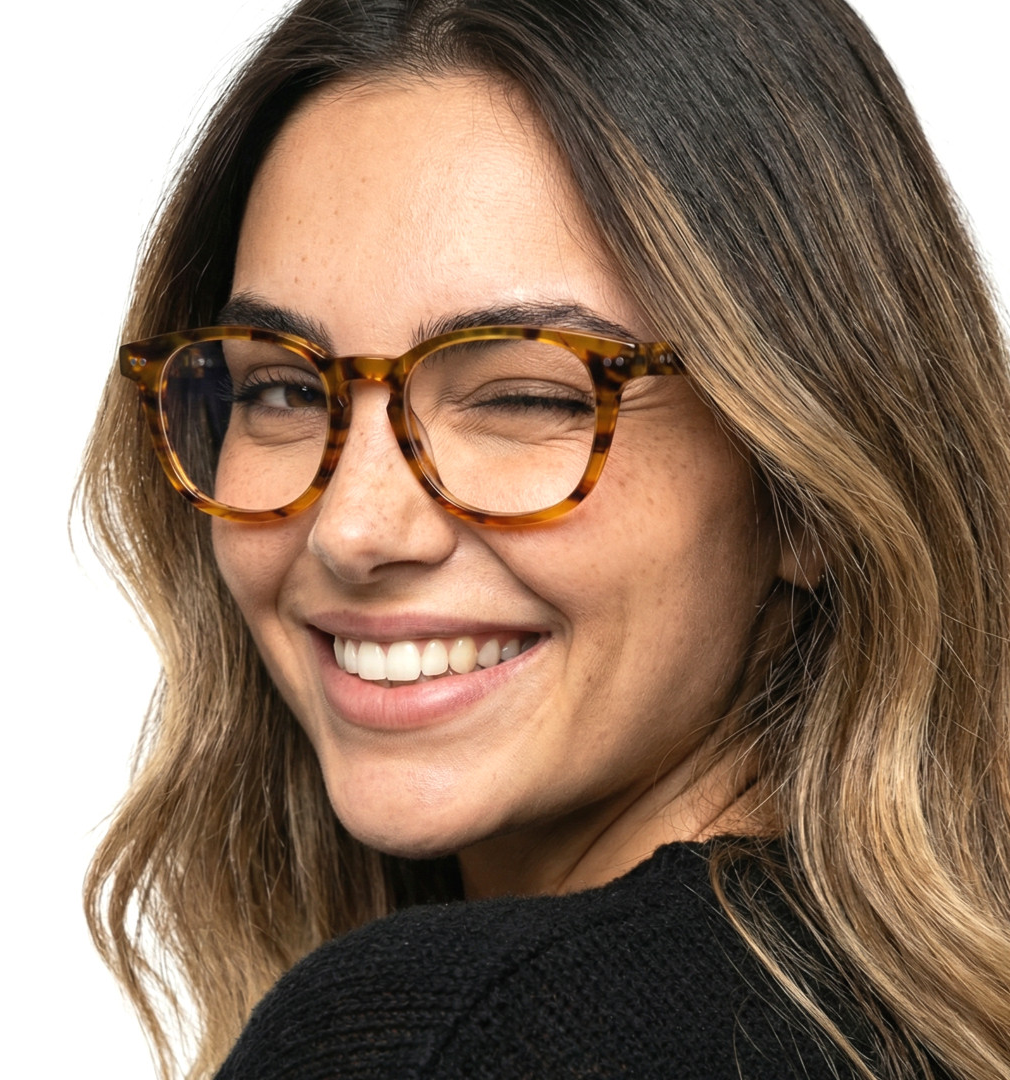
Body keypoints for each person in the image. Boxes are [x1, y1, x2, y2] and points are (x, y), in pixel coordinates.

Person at [79, 0, 1010, 1077]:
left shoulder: (444, 1037)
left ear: (808, 488)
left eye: (526, 398)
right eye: (282, 387)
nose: (353, 528)